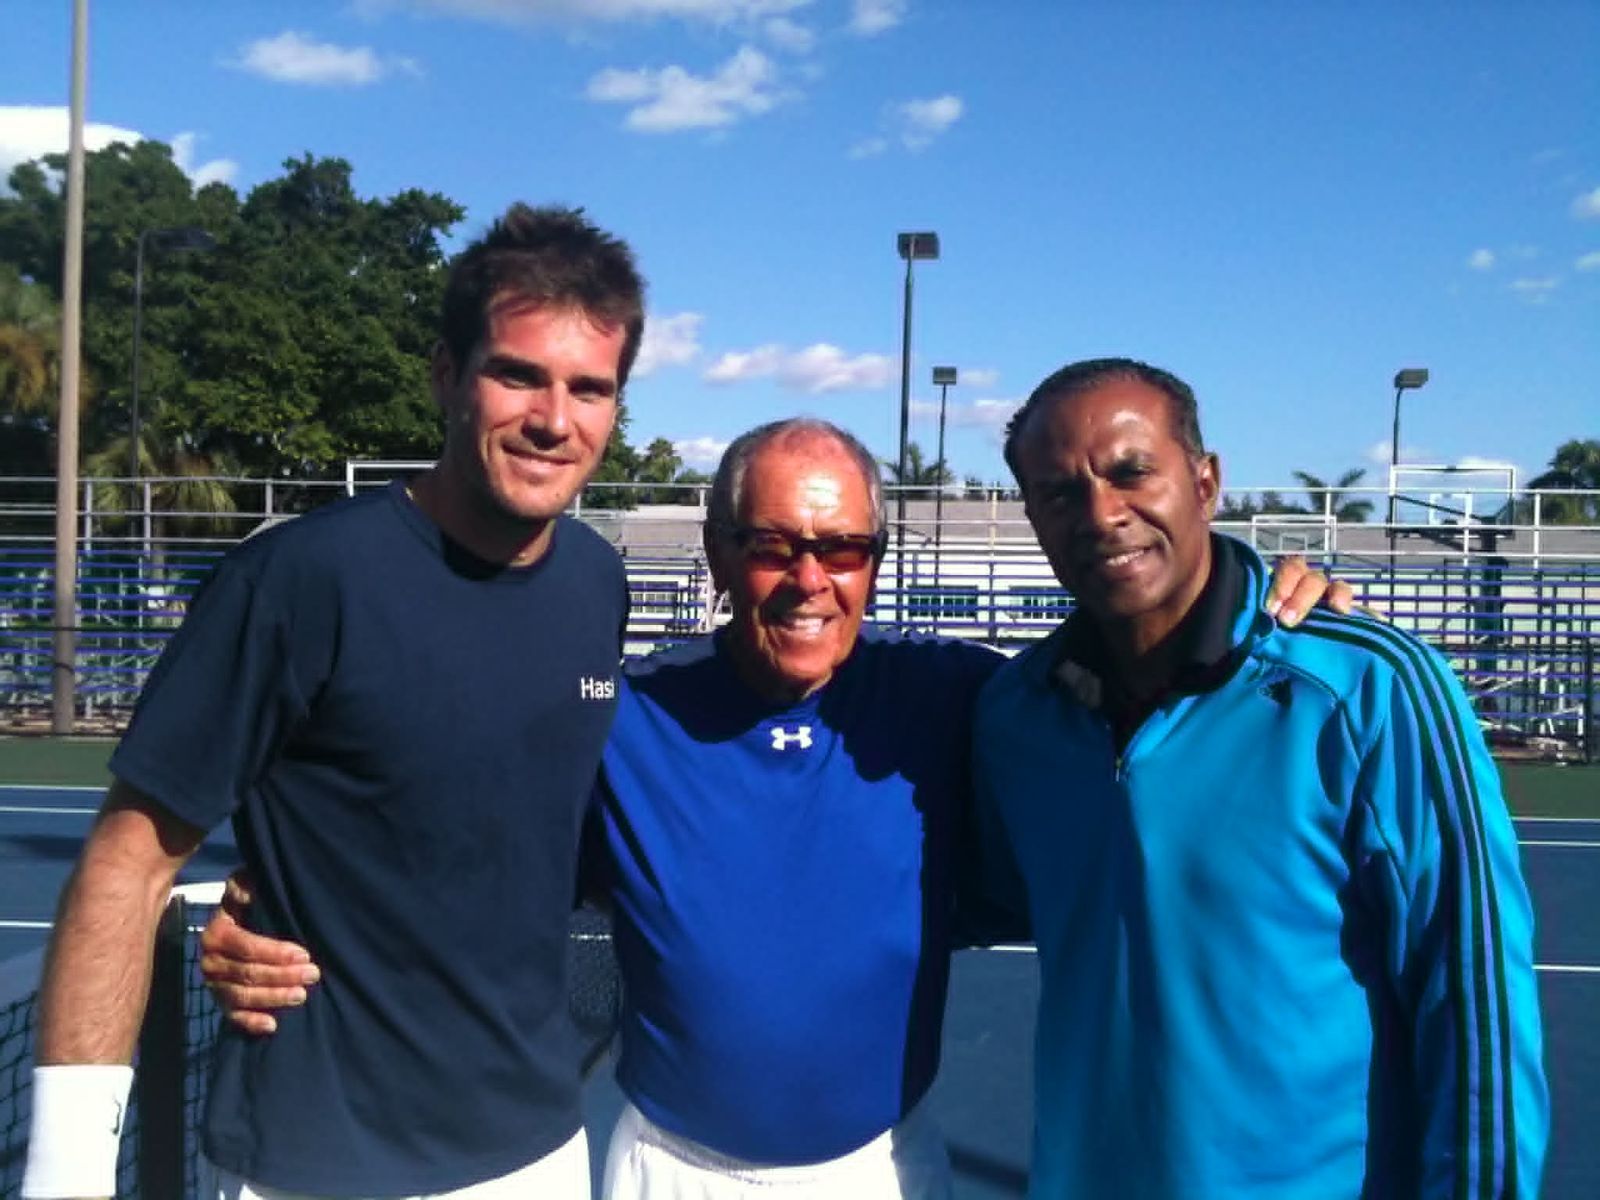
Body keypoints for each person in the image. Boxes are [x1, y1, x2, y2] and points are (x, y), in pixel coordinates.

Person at [202, 416, 1345, 1199]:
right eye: (772, 547)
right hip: (667, 1173)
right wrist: (266, 907)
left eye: (842, 548)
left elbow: (1155, 659)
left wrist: (1268, 600)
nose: (810, 580)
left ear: (874, 561)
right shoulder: (621, 715)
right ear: (716, 554)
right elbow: (448, 838)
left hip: (886, 1169)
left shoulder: (960, 695)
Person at [23, 204, 645, 1200]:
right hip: (313, 1166)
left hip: (536, 1153)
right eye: (517, 374)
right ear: (445, 373)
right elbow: (126, 867)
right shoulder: (298, 580)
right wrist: (66, 1179)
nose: (552, 418)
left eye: (589, 388)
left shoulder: (596, 585)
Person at [971, 357, 1548, 1198]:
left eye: (1132, 472)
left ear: (1205, 483)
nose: (1101, 514)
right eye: (1059, 493)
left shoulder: (1368, 687)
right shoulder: (1013, 714)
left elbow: (1474, 994)